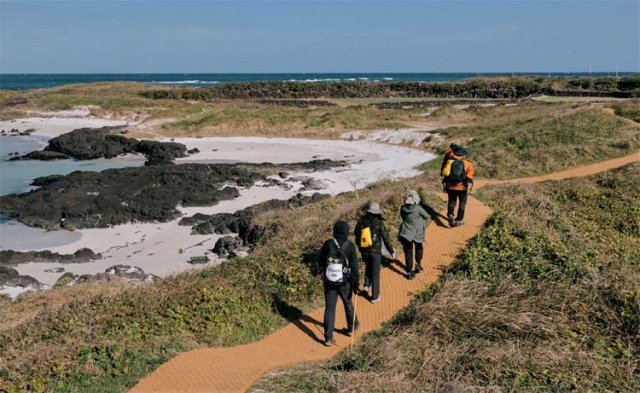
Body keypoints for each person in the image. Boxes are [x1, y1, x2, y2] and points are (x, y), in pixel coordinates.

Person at [319, 220, 360, 347]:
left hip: (329, 281)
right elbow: (354, 267)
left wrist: (322, 273)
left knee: (330, 308)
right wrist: (356, 284)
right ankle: (351, 328)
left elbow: (321, 260)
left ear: (335, 231)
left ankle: (328, 338)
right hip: (345, 282)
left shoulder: (328, 244)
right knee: (348, 303)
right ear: (347, 231)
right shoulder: (350, 246)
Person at [354, 202, 395, 304]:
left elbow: (356, 234)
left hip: (364, 250)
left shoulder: (362, 221)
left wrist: (360, 247)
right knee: (375, 274)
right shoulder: (379, 222)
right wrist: (391, 251)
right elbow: (386, 238)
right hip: (375, 252)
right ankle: (374, 297)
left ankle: (366, 286)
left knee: (368, 265)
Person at [398, 190, 429, 280]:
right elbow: (427, 216)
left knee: (408, 252)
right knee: (419, 247)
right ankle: (417, 265)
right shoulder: (418, 208)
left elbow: (403, 217)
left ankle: (409, 272)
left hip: (406, 232)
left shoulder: (403, 208)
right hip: (417, 232)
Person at [442, 146, 475, 228]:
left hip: (451, 186)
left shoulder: (449, 161)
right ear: (463, 155)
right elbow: (469, 176)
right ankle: (459, 220)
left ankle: (450, 214)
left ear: (455, 154)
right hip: (462, 187)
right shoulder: (467, 163)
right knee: (462, 204)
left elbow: (445, 173)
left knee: (452, 202)